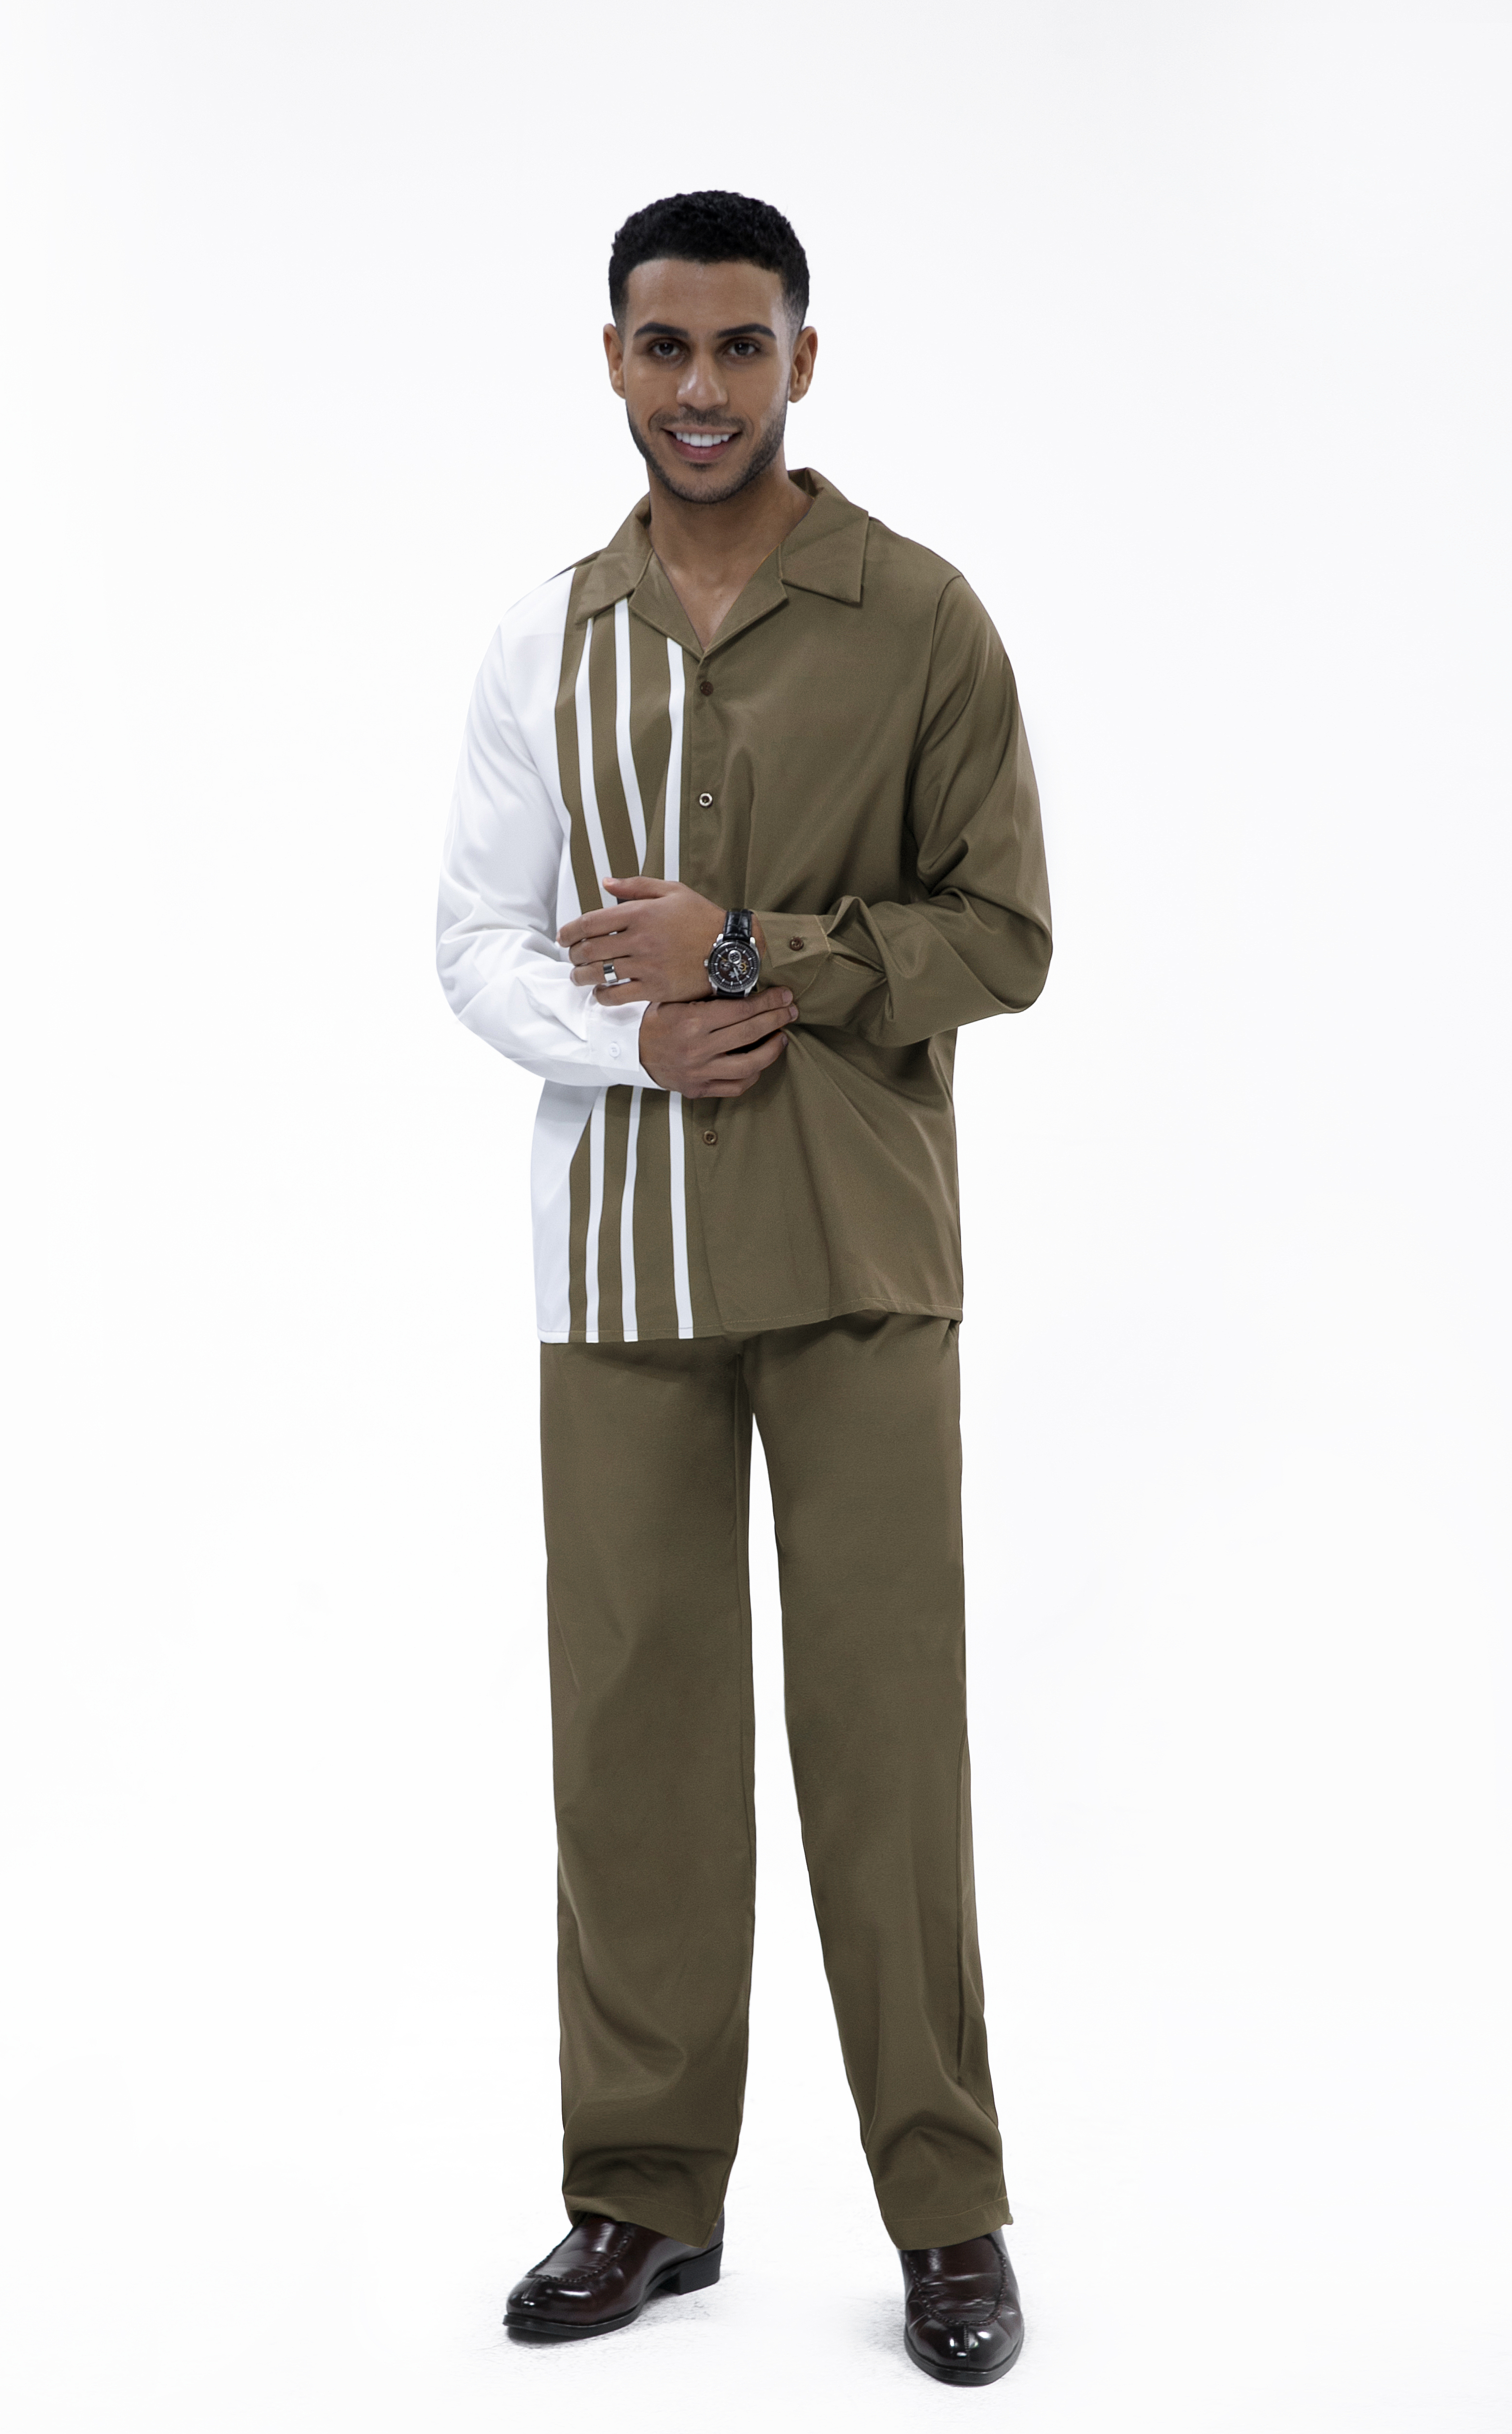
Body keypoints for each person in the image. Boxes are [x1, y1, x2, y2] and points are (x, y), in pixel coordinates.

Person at [436, 188, 1051, 2388]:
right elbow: (473, 942)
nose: (701, 389)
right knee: (634, 1743)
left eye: (740, 347)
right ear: (613, 360)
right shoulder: (546, 639)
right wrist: (640, 1043)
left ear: (804, 357)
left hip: (859, 1254)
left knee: (886, 1745)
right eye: (663, 347)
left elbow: (1007, 934)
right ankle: (642, 2196)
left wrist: (753, 951)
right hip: (618, 1267)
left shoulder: (923, 617)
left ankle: (947, 2216)